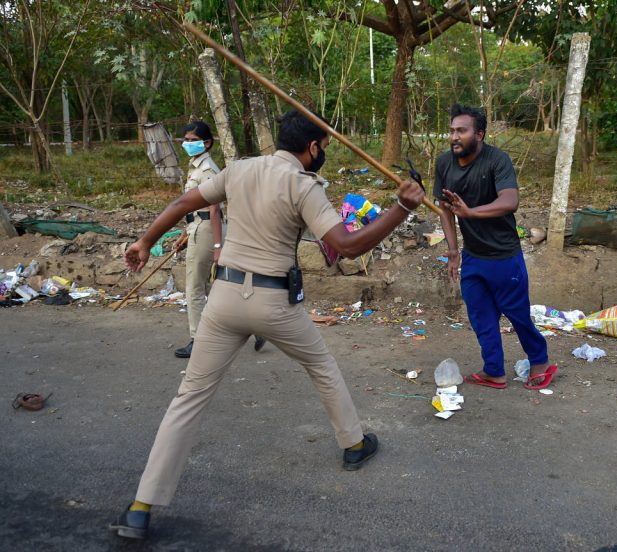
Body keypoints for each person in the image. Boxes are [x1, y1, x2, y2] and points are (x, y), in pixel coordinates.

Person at [109, 110, 425, 540]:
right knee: (321, 365)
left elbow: (183, 203)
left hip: (224, 298)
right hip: (275, 303)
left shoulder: (239, 170)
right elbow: (348, 246)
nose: (324, 153)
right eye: (324, 147)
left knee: (188, 399)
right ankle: (354, 444)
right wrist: (402, 207)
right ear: (311, 148)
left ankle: (140, 507)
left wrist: (145, 241)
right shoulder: (304, 185)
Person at [434, 104, 557, 391]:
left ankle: (540, 362)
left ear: (479, 134)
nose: (454, 137)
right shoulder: (444, 163)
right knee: (481, 316)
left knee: (517, 314)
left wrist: (471, 212)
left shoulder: (496, 160)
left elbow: (510, 201)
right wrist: (453, 251)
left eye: (461, 131)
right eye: (452, 131)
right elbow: (444, 210)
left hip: (504, 256)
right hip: (472, 256)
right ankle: (493, 371)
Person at [174, 120, 265, 358]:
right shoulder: (195, 166)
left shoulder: (207, 169)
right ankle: (253, 327)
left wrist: (217, 246)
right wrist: (185, 233)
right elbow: (195, 207)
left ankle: (198, 341)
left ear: (207, 143)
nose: (188, 144)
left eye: (194, 140)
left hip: (206, 230)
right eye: (186, 140)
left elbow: (214, 210)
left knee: (195, 287)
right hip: (198, 227)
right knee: (213, 289)